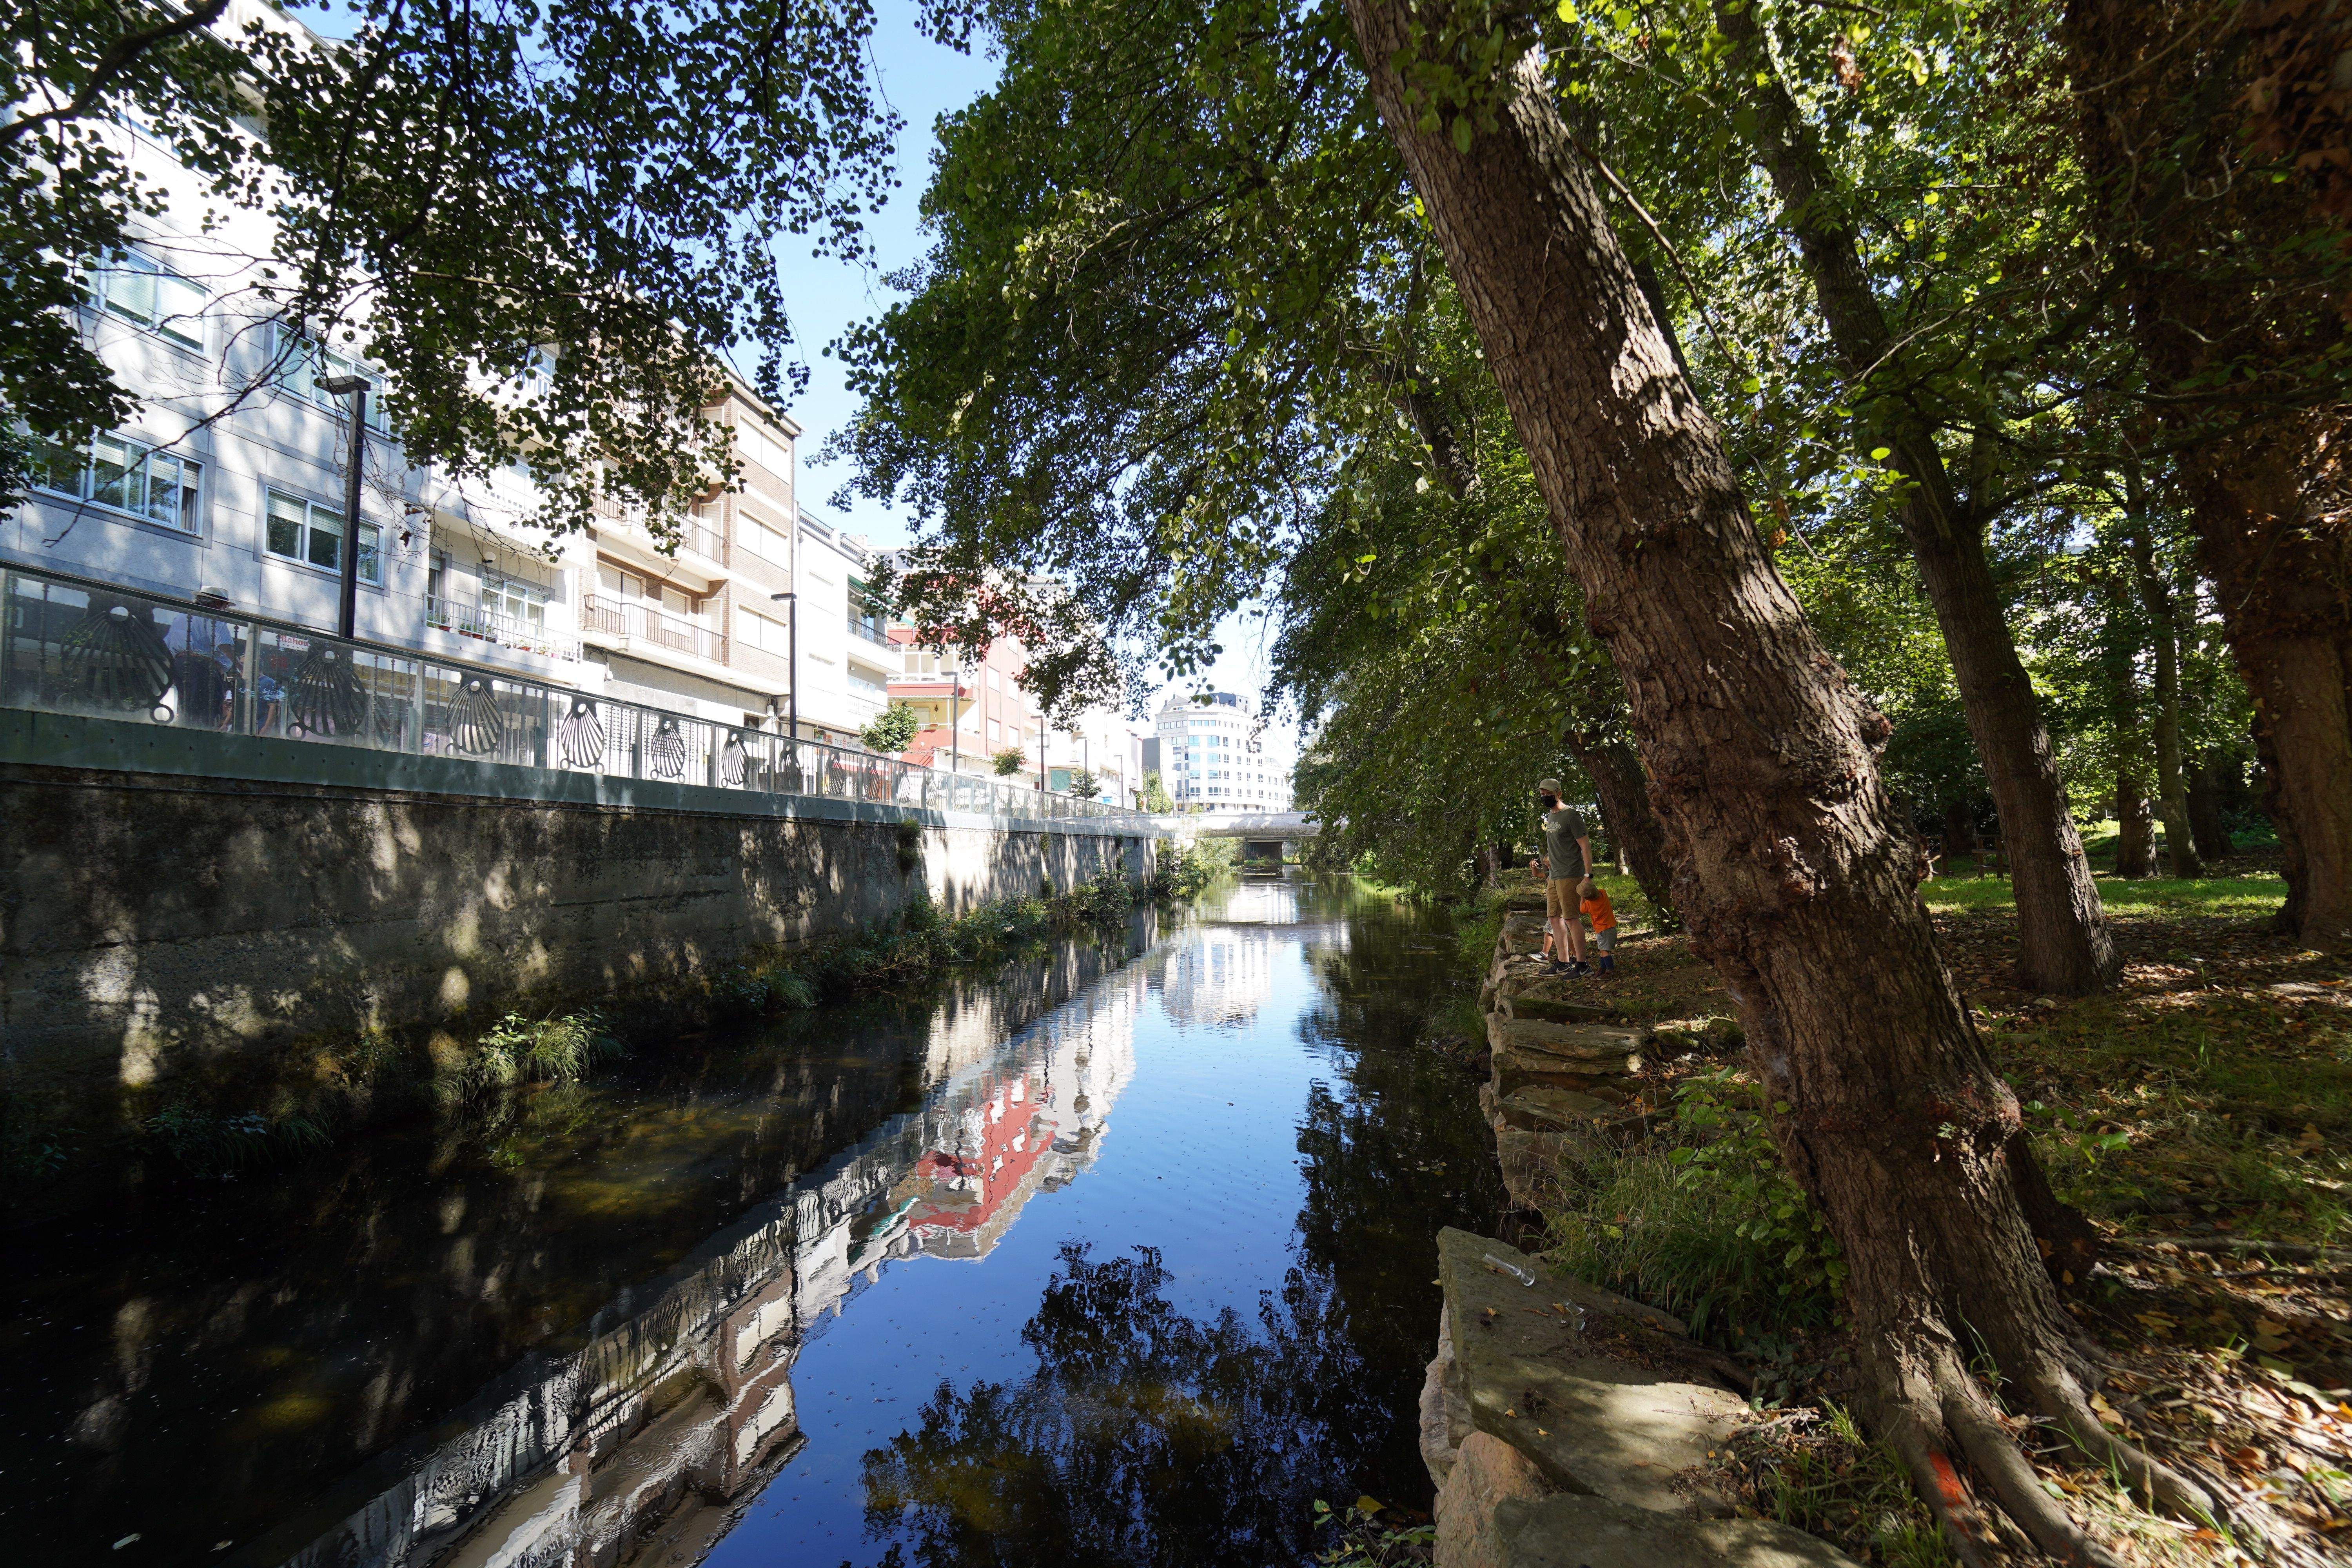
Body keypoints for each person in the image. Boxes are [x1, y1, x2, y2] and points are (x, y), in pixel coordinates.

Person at [1525, 778, 1593, 976]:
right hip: (1554, 876)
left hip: (1570, 874)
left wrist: (1588, 875)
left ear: (1559, 793)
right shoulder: (1550, 817)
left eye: (1548, 794)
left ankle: (1583, 966)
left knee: (1571, 919)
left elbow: (1585, 847)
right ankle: (1564, 963)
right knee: (1554, 918)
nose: (1545, 797)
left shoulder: (1571, 815)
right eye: (1542, 795)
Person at [1578, 877, 1619, 975]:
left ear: (1586, 898)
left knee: (1605, 952)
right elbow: (1595, 889)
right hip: (1611, 927)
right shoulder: (1603, 894)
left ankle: (1610, 971)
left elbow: (1581, 910)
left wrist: (1582, 898)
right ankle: (1603, 968)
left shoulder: (1589, 905)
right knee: (1602, 950)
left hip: (1602, 931)